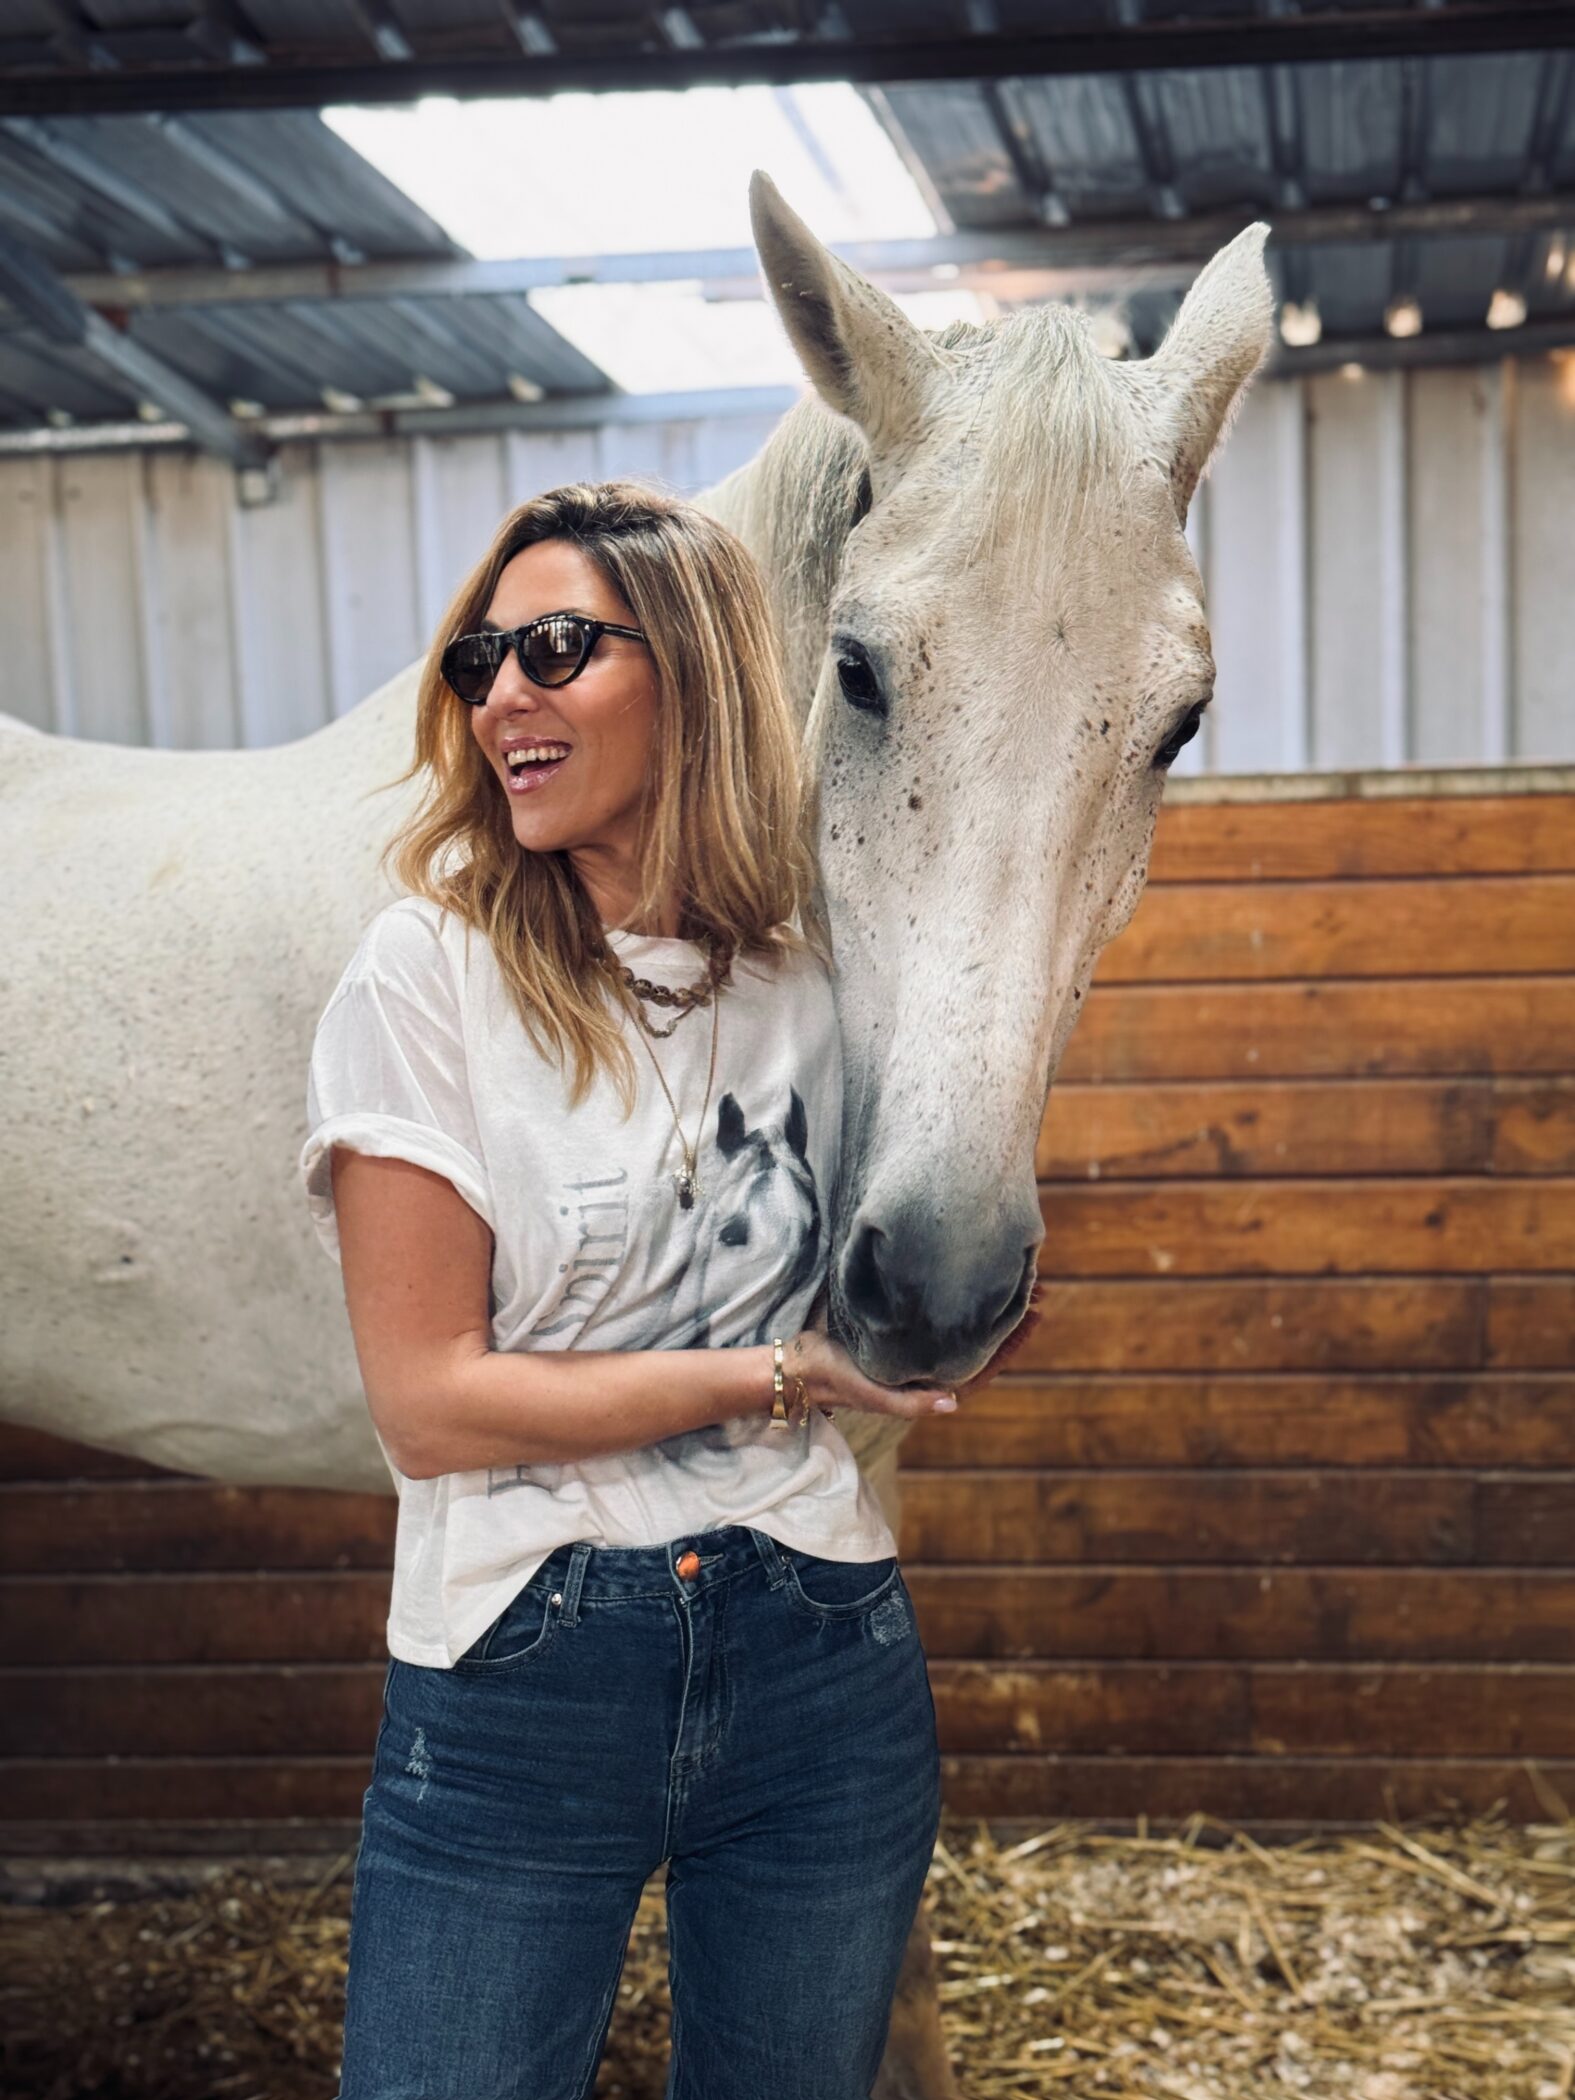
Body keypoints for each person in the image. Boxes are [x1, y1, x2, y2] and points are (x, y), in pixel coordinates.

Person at [298, 480, 959, 2100]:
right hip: (525, 1668)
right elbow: (432, 1407)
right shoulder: (426, 978)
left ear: (698, 672)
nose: (502, 697)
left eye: (557, 649)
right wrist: (774, 1377)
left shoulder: (813, 987)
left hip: (820, 1643)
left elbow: (884, 1312)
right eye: (482, 661)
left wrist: (956, 1305)